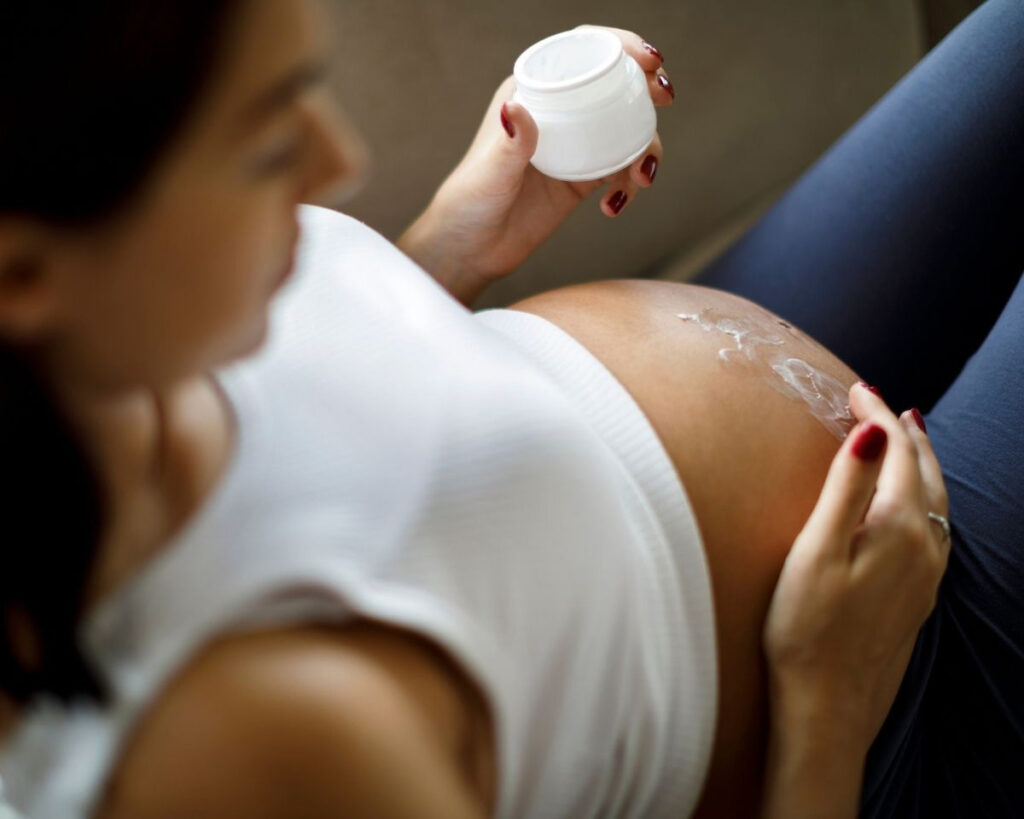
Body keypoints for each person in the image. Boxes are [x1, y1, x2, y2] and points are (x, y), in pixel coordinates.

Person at [0, 0, 1012, 815]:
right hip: (900, 688)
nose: (338, 165)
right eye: (265, 142)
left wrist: (446, 250)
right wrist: (830, 703)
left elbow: (333, 479)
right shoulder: (251, 753)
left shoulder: (100, 362)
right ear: (27, 274)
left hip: (762, 366)